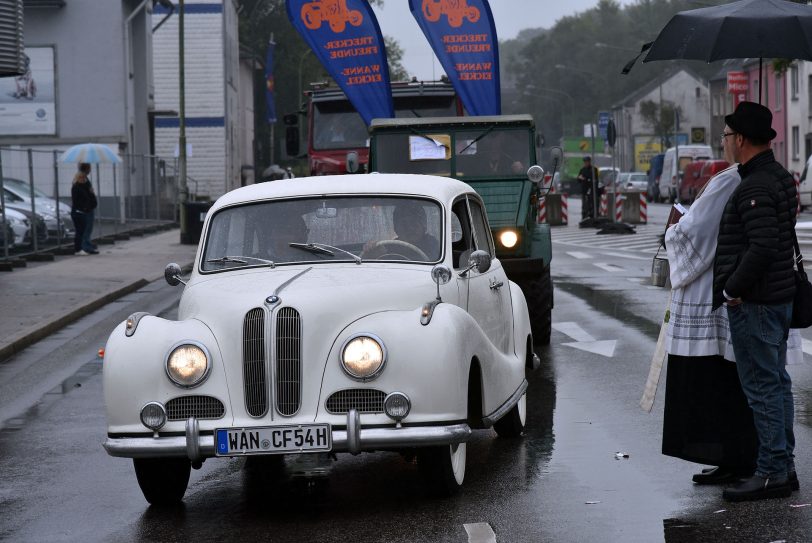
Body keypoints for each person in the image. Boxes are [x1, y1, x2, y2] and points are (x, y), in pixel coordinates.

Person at [713, 101, 799, 502]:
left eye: (727, 136)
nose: (725, 143)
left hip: (758, 301)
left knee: (763, 387)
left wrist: (732, 288)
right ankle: (784, 466)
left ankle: (771, 472)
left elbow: (762, 246)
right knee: (777, 384)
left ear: (742, 139)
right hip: (777, 297)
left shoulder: (756, 186)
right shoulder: (778, 177)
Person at [70, 163, 98, 256]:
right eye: (89, 168)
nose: (83, 179)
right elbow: (78, 200)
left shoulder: (86, 182)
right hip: (82, 211)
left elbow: (89, 195)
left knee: (86, 229)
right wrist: (85, 207)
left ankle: (86, 246)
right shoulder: (77, 187)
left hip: (87, 209)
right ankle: (81, 248)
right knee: (82, 230)